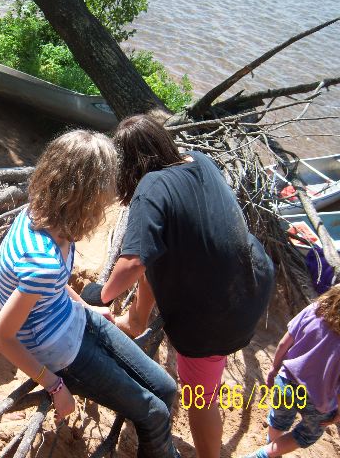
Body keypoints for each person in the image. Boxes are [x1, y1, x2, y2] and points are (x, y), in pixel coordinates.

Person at [0, 130, 180, 457]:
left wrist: (87, 309)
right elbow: (1, 336)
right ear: (87, 196)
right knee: (154, 412)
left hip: (73, 319)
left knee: (165, 388)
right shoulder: (42, 260)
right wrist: (54, 385)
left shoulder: (47, 217)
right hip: (60, 352)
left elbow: (53, 288)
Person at [95, 115, 275, 458]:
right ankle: (137, 320)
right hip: (253, 280)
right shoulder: (200, 160)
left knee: (200, 398)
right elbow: (162, 249)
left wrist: (100, 295)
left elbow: (133, 262)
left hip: (216, 315)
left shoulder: (150, 187)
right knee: (160, 250)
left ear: (126, 163)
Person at [245, 285, 340, 458]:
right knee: (307, 434)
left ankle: (270, 449)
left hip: (286, 381)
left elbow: (283, 344)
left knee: (279, 419)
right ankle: (265, 454)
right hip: (319, 400)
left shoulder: (314, 310)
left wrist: (274, 369)